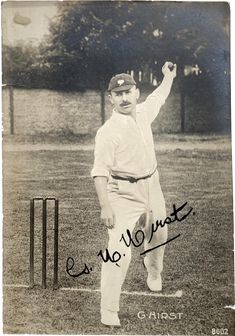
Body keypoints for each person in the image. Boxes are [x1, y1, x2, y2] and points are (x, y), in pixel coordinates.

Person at [91, 62, 177, 327]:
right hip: (122, 193)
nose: (124, 98)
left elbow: (159, 96)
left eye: (128, 92)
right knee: (119, 249)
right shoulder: (107, 132)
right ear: (111, 99)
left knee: (159, 231)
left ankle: (153, 271)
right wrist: (106, 206)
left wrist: (168, 77)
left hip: (152, 185)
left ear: (136, 93)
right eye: (118, 94)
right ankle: (109, 309)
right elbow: (99, 172)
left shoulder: (144, 112)